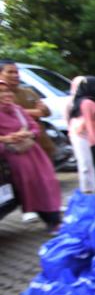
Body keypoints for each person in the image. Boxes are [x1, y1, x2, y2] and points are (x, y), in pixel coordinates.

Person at [0, 79, 62, 233]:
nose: (6, 94)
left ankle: (54, 218)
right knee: (31, 185)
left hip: (33, 151)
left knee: (48, 181)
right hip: (13, 154)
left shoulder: (17, 109)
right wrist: (7, 138)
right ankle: (50, 220)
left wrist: (29, 133)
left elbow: (34, 126)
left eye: (7, 91)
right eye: (1, 92)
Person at [0, 60, 56, 159]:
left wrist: (40, 111)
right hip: (17, 147)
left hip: (41, 141)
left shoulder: (28, 92)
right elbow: (9, 113)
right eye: (10, 72)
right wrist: (36, 112)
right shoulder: (4, 97)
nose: (15, 75)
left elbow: (46, 112)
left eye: (16, 72)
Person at [64, 76, 95, 193]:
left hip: (91, 134)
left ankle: (94, 187)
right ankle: (85, 189)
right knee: (84, 163)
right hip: (78, 135)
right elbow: (67, 118)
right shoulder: (70, 101)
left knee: (92, 162)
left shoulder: (91, 100)